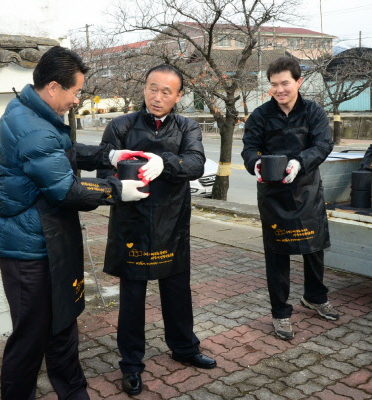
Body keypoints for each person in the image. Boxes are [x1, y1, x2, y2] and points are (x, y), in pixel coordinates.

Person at [0, 46, 148, 400]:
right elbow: (66, 189)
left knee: (60, 327)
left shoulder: (36, 116)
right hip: (28, 250)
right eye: (76, 92)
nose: (78, 100)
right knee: (30, 339)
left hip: (45, 241)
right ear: (54, 87)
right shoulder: (31, 128)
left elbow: (65, 153)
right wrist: (117, 189)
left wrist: (109, 154)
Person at [98, 64, 216, 396]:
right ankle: (132, 364)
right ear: (144, 88)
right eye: (152, 88)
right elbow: (101, 164)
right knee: (132, 297)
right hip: (131, 222)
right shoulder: (121, 124)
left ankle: (184, 348)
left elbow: (195, 162)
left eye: (166, 91)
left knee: (177, 292)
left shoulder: (187, 126)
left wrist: (165, 161)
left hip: (171, 221)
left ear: (179, 95)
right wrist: (117, 184)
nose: (157, 96)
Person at [241, 57, 339, 341]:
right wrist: (255, 164)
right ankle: (280, 312)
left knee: (313, 246)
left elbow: (323, 144)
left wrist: (300, 162)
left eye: (285, 83)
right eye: (274, 85)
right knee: (277, 253)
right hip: (273, 194)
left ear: (299, 82)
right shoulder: (260, 115)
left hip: (307, 189)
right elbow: (250, 148)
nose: (280, 90)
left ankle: (315, 297)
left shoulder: (313, 112)